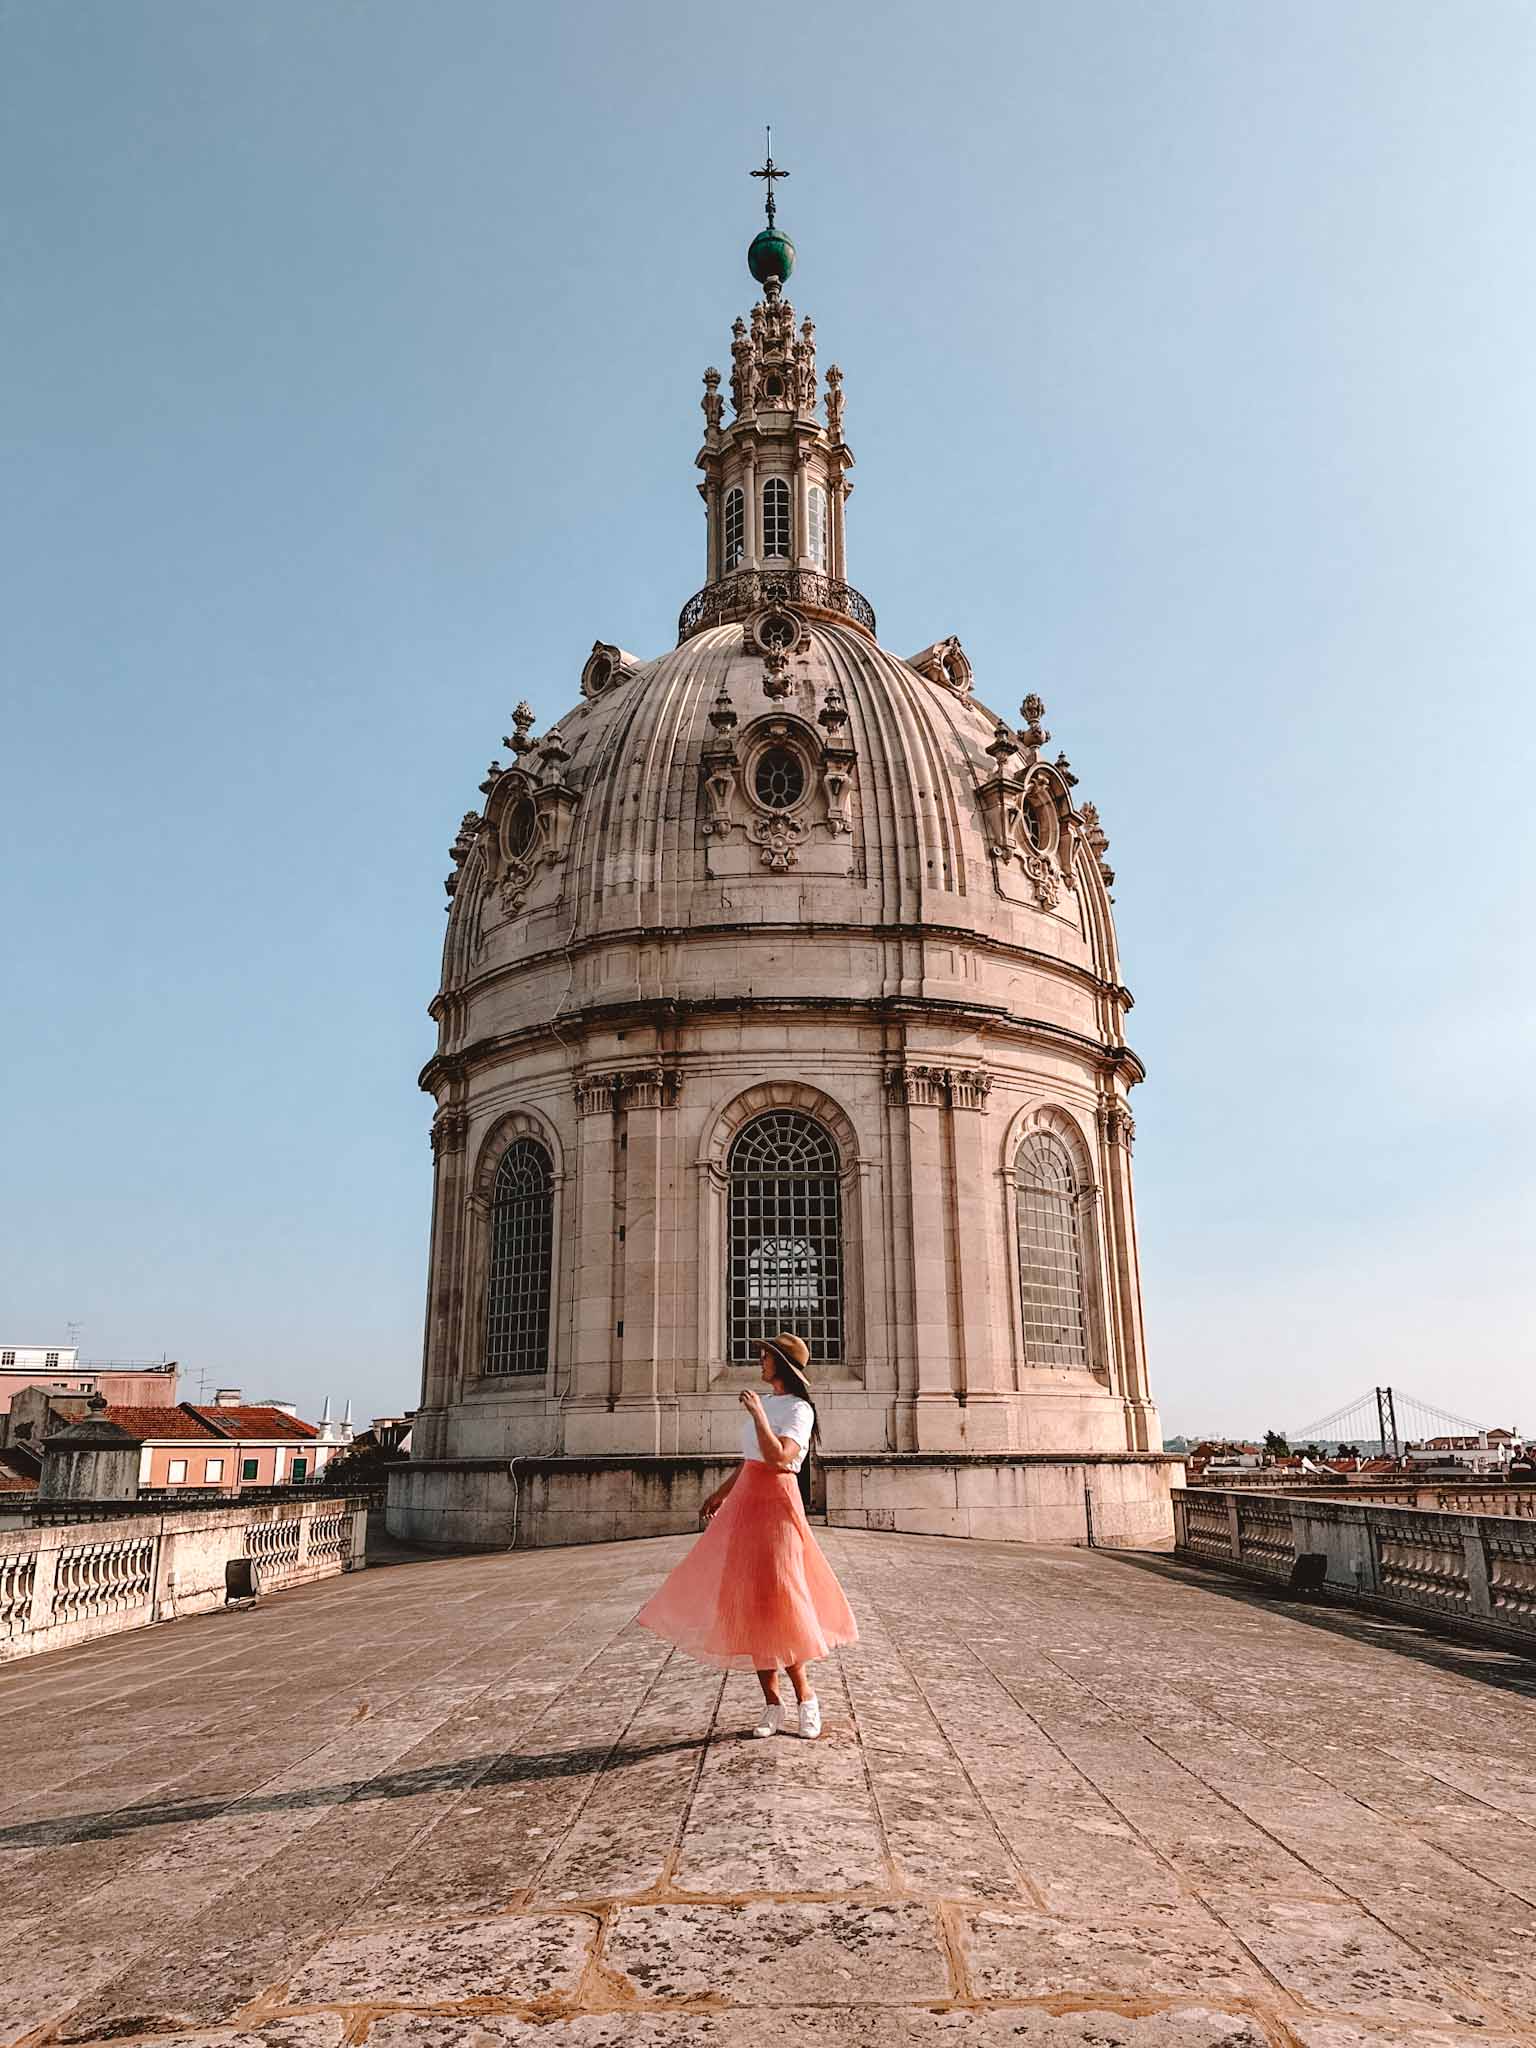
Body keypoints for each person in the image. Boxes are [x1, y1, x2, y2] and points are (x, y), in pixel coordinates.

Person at [635, 1331, 857, 1738]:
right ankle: (772, 1705)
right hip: (747, 1502)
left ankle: (807, 1698)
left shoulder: (798, 1410)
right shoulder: (771, 1402)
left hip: (778, 1504)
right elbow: (750, 1462)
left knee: (784, 1598)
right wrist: (720, 1493)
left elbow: (779, 1457)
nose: (760, 1362)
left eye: (765, 1356)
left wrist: (757, 1415)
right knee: (750, 1602)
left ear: (782, 1364)